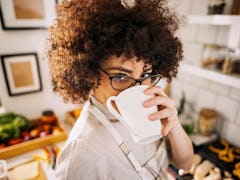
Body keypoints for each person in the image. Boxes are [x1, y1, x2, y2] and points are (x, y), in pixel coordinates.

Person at [47, 0, 194, 179]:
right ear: (89, 74)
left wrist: (174, 126)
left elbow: (185, 164)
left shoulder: (152, 111)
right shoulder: (81, 155)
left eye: (146, 73)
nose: (140, 87)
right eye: (121, 76)